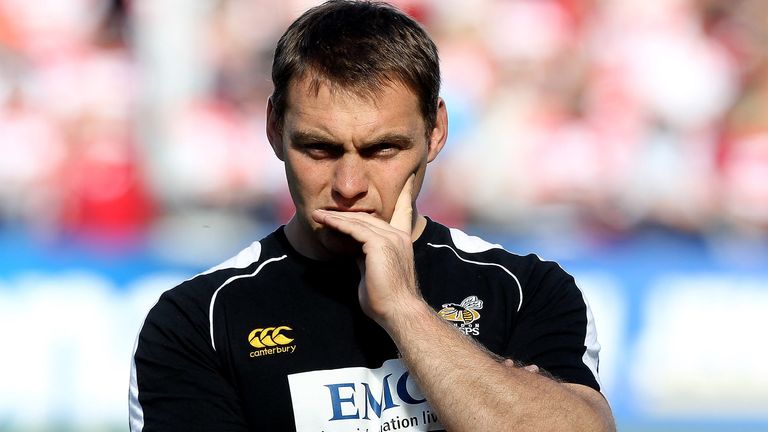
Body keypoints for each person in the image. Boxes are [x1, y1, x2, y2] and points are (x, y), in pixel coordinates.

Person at [129, 1, 615, 431]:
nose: (349, 186)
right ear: (275, 129)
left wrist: (404, 308)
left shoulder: (524, 291)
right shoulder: (199, 322)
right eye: (319, 148)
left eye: (382, 149)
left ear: (435, 132)